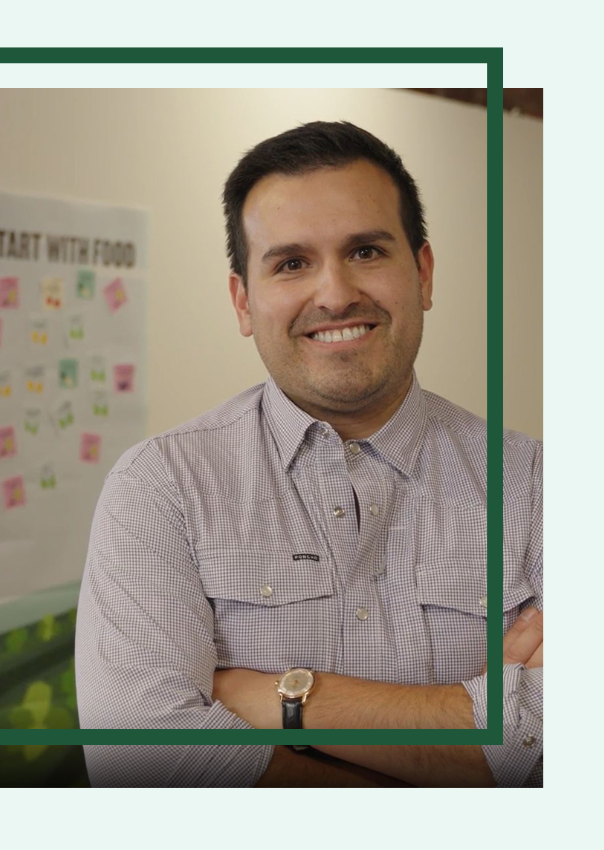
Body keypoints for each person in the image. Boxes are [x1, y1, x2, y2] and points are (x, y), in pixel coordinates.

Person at [74, 121, 542, 787]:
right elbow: (145, 767)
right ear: (243, 300)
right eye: (292, 263)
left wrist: (288, 702)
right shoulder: (161, 488)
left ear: (424, 273)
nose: (334, 293)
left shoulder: (539, 484)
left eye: (367, 251)